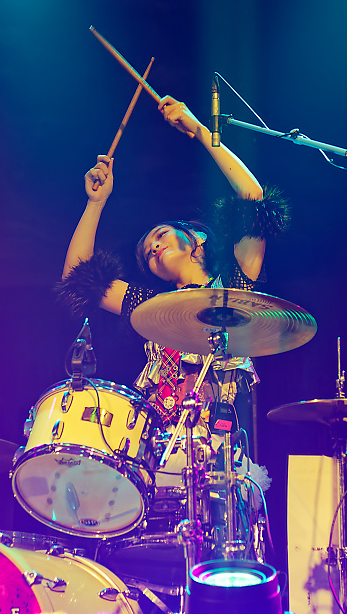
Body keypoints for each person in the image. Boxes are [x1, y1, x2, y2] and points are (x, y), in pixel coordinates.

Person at [56, 94, 289, 462]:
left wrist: (198, 129)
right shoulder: (153, 307)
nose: (152, 247)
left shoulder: (233, 284)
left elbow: (252, 196)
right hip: (158, 451)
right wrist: (95, 203)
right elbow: (76, 276)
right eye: (147, 251)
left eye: (160, 235)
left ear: (195, 238)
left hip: (221, 455)